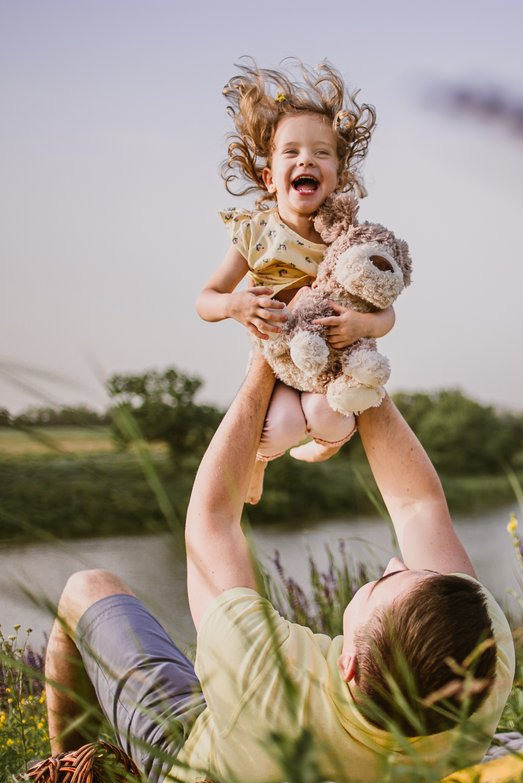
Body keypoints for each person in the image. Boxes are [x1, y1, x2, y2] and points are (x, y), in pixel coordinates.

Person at [43, 354, 515, 783]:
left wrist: (262, 366)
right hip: (260, 736)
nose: (395, 563)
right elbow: (418, 504)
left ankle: (63, 773)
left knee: (88, 587)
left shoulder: (265, 675)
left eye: (381, 585)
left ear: (348, 665)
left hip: (191, 770)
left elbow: (212, 520)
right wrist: (354, 369)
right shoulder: (480, 667)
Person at [195, 61, 393, 504]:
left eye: (322, 153)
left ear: (339, 178)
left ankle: (327, 444)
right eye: (292, 152)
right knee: (279, 428)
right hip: (278, 358)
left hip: (330, 364)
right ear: (270, 178)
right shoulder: (256, 233)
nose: (306, 159)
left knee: (334, 417)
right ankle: (260, 462)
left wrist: (362, 327)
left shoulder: (347, 237)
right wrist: (235, 305)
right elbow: (205, 299)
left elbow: (387, 312)